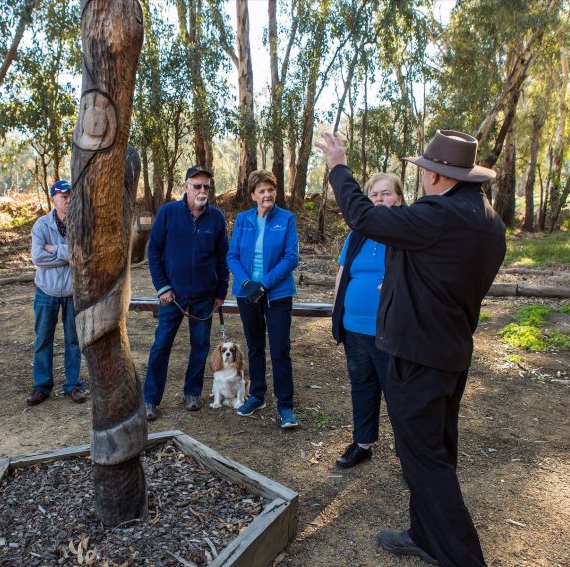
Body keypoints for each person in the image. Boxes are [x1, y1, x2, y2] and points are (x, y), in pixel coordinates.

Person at [317, 130, 506, 566]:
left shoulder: (437, 214)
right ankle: (424, 534)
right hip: (451, 351)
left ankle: (463, 558)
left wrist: (338, 166)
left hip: (418, 356)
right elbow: (446, 279)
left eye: (424, 170)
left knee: (424, 461)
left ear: (439, 176)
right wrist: (404, 286)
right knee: (436, 449)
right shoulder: (489, 220)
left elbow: (364, 217)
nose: (421, 177)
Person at [144, 165, 229, 420]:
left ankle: (192, 393)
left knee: (200, 346)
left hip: (205, 296)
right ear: (185, 187)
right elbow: (154, 253)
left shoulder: (216, 218)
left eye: (206, 186)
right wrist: (163, 287)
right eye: (197, 186)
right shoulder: (168, 213)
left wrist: (221, 291)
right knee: (161, 346)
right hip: (172, 296)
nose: (202, 190)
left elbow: (223, 258)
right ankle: (150, 398)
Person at [332, 172, 405, 468]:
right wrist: (336, 314)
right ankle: (362, 443)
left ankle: (409, 455)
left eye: (386, 194)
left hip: (391, 330)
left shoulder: (406, 232)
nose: (379, 199)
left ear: (399, 199)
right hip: (354, 328)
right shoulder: (357, 233)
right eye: (374, 194)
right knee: (361, 385)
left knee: (398, 393)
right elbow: (342, 273)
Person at [227, 170, 300, 428]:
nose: (267, 194)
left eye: (271, 190)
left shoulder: (286, 219)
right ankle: (257, 395)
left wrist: (264, 284)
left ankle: (286, 406)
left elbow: (291, 257)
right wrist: (248, 284)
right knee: (255, 347)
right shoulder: (243, 219)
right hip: (247, 294)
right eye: (261, 191)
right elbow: (232, 255)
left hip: (277, 295)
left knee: (280, 349)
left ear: (275, 192)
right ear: (253, 195)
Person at [26, 180, 86, 406]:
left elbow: (82, 257)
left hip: (73, 292)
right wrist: (68, 255)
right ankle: (41, 386)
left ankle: (73, 385)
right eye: (63, 196)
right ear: (53, 200)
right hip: (46, 291)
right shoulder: (41, 225)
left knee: (73, 340)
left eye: (70, 195)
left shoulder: (80, 223)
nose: (68, 200)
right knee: (43, 339)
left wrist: (54, 249)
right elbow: (37, 258)